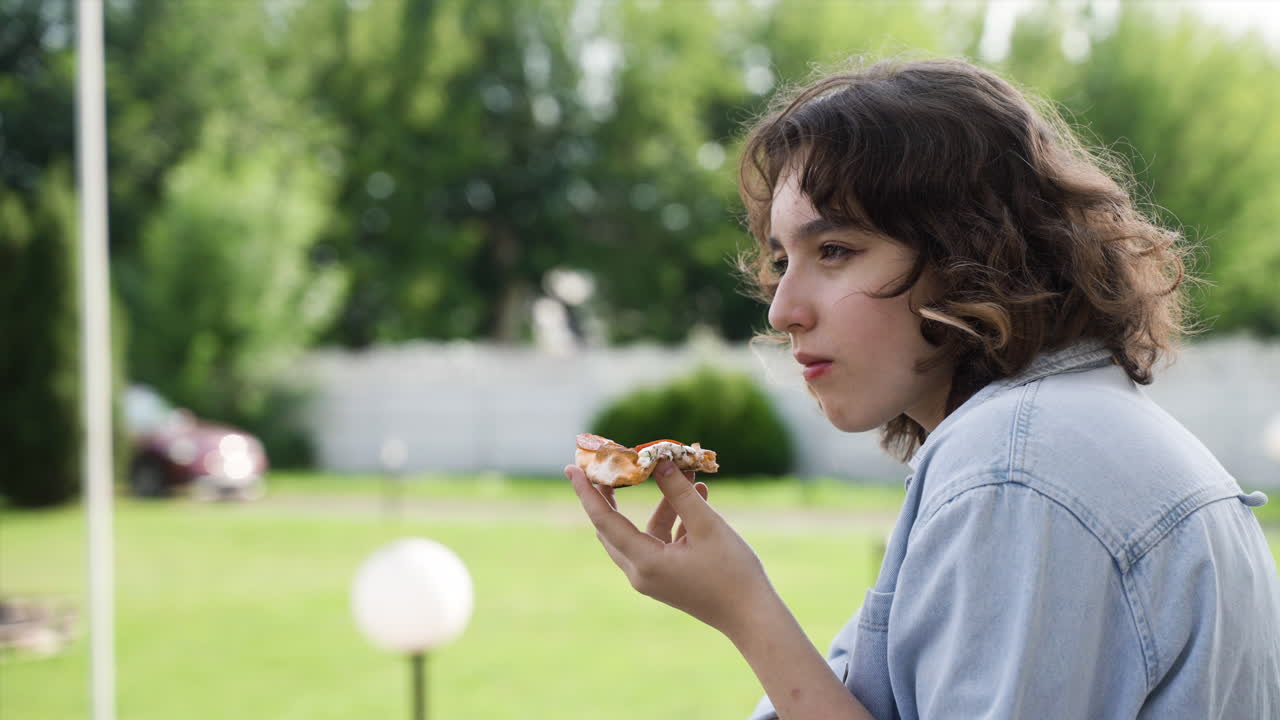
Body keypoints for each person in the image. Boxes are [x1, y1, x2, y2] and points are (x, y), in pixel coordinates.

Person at [565, 56, 1280, 720]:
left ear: (972, 252)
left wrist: (746, 609)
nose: (783, 308)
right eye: (783, 260)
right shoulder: (1056, 435)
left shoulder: (1016, 468)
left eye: (835, 251)